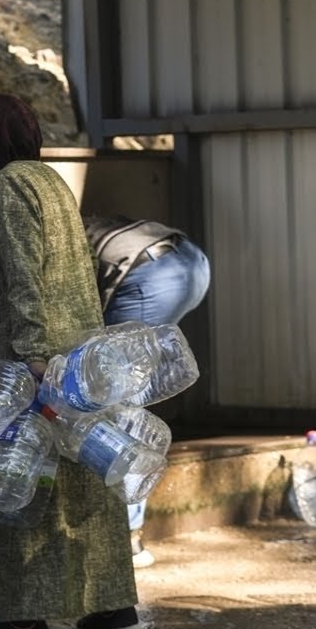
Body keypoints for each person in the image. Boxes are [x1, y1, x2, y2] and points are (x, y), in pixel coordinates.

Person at [0, 94, 144, 629]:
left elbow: (26, 274)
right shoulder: (48, 179)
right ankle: (111, 609)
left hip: (26, 365)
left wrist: (30, 355)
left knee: (20, 485)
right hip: (76, 356)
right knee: (83, 489)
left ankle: (19, 624)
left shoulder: (4, 187)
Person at [83, 214, 210, 567]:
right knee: (124, 385)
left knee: (122, 403)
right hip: (189, 262)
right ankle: (128, 533)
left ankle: (128, 538)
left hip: (152, 273)